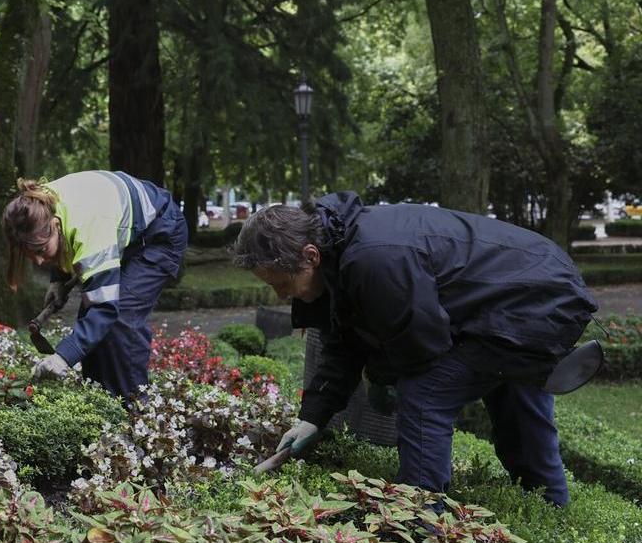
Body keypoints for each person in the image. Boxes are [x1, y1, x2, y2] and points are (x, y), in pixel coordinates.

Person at [233, 192, 598, 506]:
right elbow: (344, 342)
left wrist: (383, 378)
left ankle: (420, 523)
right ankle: (549, 502)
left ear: (310, 256)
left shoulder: (374, 259)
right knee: (510, 383)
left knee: (426, 392)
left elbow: (421, 349)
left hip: (539, 301)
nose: (281, 296)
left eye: (282, 283)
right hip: (526, 293)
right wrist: (312, 416)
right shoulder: (341, 248)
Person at [2, 171, 188, 398]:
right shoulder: (38, 206)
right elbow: (62, 241)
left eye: (41, 250)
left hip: (159, 234)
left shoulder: (88, 227)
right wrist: (58, 279)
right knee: (91, 324)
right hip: (125, 231)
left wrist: (63, 357)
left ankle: (136, 411)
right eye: (29, 253)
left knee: (121, 320)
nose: (39, 261)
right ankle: (100, 402)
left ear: (55, 225)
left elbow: (104, 309)